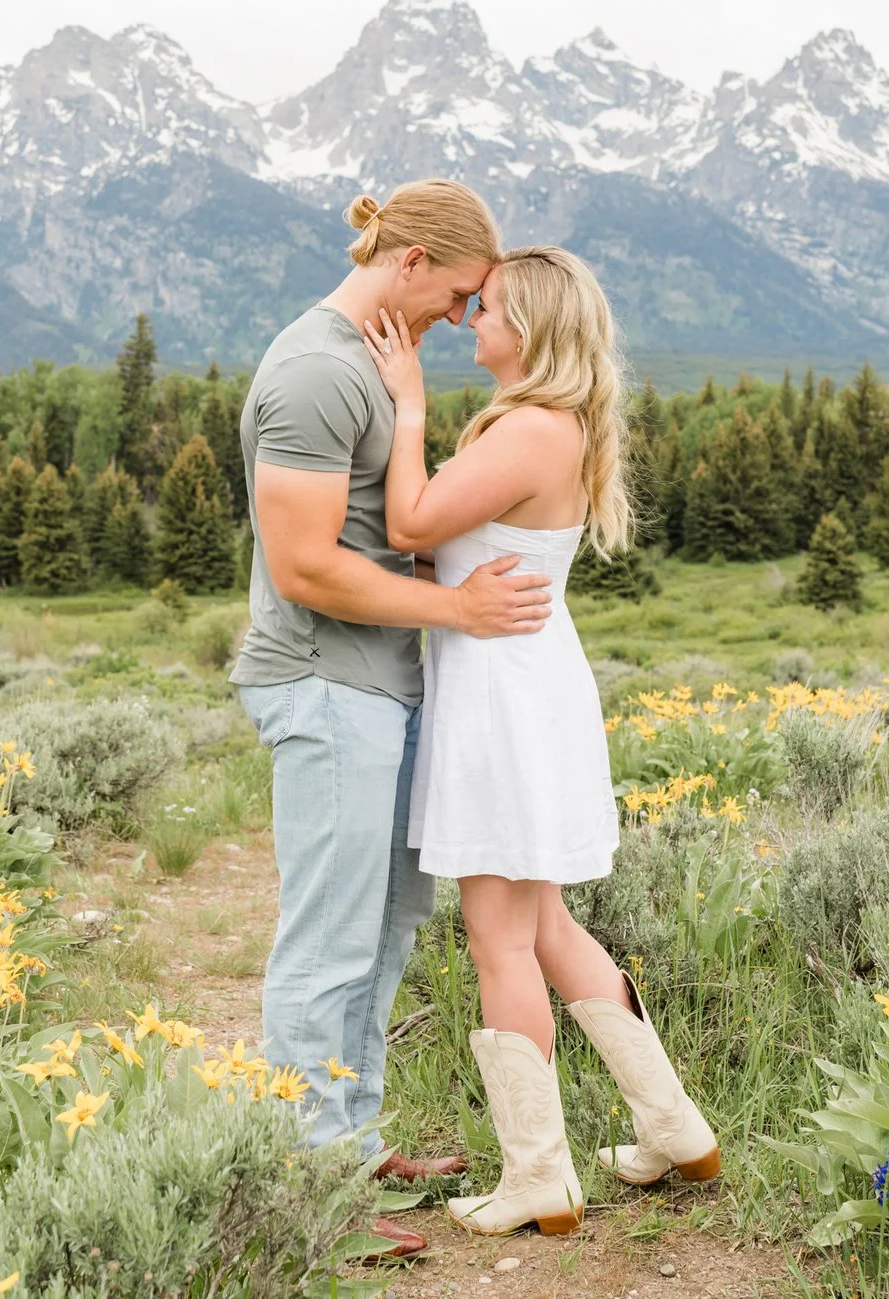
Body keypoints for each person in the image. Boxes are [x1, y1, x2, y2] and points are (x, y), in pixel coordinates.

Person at [359, 246, 721, 1238]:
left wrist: (407, 404)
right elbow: (446, 545)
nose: (470, 321)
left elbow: (409, 521)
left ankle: (539, 1177)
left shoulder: (527, 427)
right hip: (527, 687)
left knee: (500, 938)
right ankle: (675, 1127)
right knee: (548, 925)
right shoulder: (554, 426)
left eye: (486, 308)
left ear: (528, 329)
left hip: (501, 702)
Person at [233, 178, 553, 1260]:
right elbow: (304, 565)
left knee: (385, 924)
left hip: (384, 680)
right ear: (410, 260)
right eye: (458, 294)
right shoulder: (316, 371)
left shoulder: (373, 361)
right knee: (326, 936)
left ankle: (351, 1139)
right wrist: (459, 608)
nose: (463, 319)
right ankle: (305, 1188)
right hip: (325, 682)